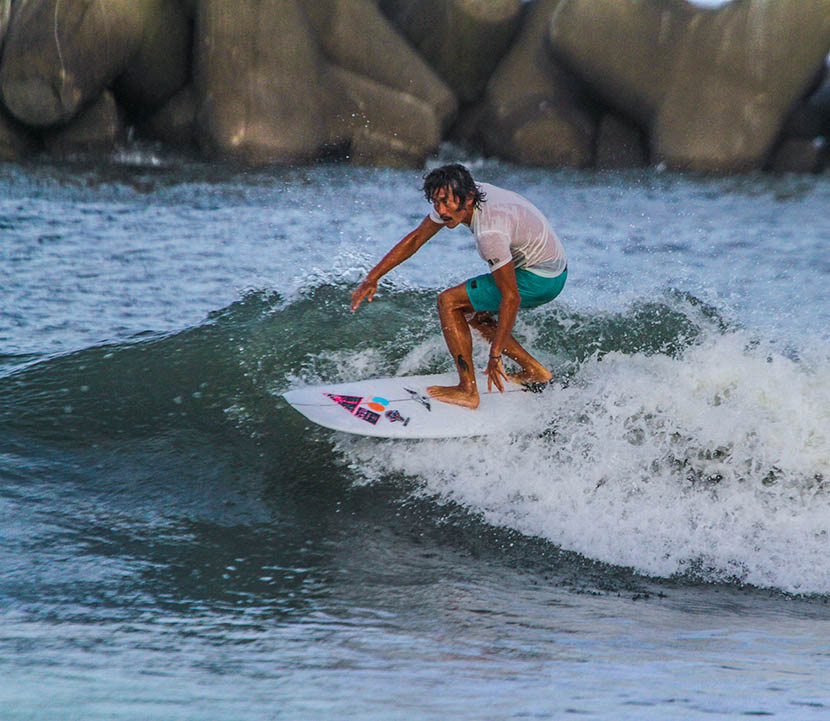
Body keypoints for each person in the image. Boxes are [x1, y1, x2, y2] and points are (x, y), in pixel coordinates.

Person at [351, 164, 567, 409]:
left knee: (449, 302)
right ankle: (535, 371)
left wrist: (494, 354)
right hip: (554, 270)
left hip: (540, 278)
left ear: (468, 198)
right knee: (473, 311)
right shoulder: (464, 194)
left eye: (445, 202)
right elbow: (415, 239)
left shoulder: (490, 232)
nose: (440, 211)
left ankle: (467, 391)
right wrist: (373, 277)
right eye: (435, 202)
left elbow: (511, 298)